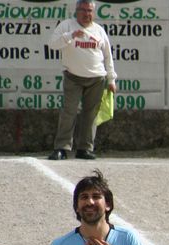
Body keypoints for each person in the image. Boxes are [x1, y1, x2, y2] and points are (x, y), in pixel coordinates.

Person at [47, 0, 117, 161]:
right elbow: (52, 44)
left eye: (90, 11)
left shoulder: (99, 30)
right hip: (73, 77)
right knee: (69, 112)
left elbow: (108, 56)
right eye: (83, 10)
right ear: (76, 10)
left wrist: (111, 79)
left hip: (96, 78)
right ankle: (61, 148)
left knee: (91, 115)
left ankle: (85, 149)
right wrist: (70, 36)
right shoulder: (66, 25)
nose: (86, 14)